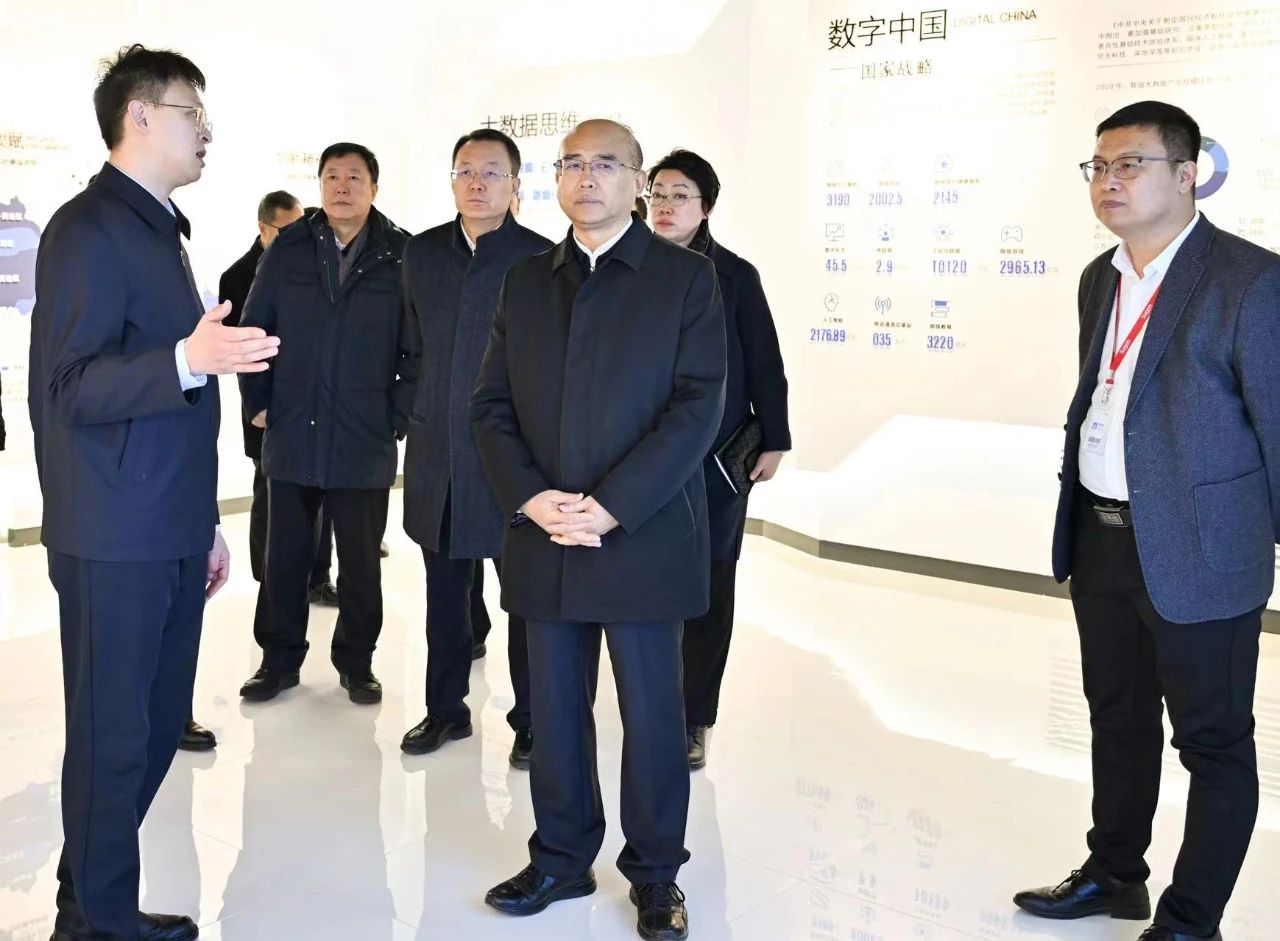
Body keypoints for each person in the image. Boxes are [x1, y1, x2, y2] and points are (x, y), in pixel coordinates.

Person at [27, 43, 278, 941]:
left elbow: (173, 402)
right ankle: (97, 923)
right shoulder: (88, 228)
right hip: (111, 533)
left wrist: (202, 523)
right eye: (191, 113)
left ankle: (87, 903)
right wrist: (185, 357)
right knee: (113, 738)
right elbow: (66, 388)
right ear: (138, 116)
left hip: (164, 525)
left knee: (153, 724)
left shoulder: (158, 228)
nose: (206, 131)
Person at [1014, 100, 1280, 941]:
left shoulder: (1250, 281)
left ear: (1188, 174)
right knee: (1117, 717)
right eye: (1098, 167)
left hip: (1204, 552)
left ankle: (1191, 920)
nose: (1109, 181)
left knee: (1213, 742)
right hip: (1101, 536)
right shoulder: (1101, 277)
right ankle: (1115, 873)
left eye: (1130, 164)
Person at [473, 119, 726, 941]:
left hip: (642, 533)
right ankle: (560, 855)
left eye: (606, 164)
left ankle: (655, 873)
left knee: (653, 716)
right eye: (572, 164)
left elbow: (697, 408)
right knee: (553, 709)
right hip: (546, 534)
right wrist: (532, 497)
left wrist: (613, 504)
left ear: (638, 181)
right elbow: (491, 405)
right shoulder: (526, 281)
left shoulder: (684, 279)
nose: (587, 178)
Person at [237, 143, 414, 705]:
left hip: (364, 436)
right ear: (319, 185)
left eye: (354, 177)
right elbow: (253, 326)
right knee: (284, 558)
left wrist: (396, 416)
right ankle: (278, 660)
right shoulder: (290, 247)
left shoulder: (400, 253)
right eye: (332, 176)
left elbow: (417, 349)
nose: (342, 186)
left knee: (360, 563)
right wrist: (258, 403)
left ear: (374, 188)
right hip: (293, 428)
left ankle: (357, 663)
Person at [399, 128, 551, 764]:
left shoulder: (541, 258)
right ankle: (445, 710)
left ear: (515, 184)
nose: (477, 183)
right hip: (438, 452)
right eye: (466, 171)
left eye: (492, 172)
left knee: (524, 600)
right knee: (444, 597)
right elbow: (407, 346)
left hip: (513, 459)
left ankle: (533, 720)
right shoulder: (422, 252)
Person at [646, 149, 790, 771]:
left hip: (717, 459)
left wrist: (774, 438)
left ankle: (693, 715)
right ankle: (649, 700)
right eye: (657, 193)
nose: (665, 206)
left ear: (705, 207)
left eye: (680, 195)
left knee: (709, 584)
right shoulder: (630, 269)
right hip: (641, 457)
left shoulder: (734, 276)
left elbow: (765, 360)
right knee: (644, 581)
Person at [218, 190, 339, 608]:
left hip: (312, 403)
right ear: (264, 229)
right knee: (269, 496)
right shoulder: (237, 277)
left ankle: (318, 577)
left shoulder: (311, 264)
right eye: (288, 229)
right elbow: (240, 351)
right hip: (268, 406)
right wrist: (260, 406)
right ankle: (268, 579)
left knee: (320, 493)